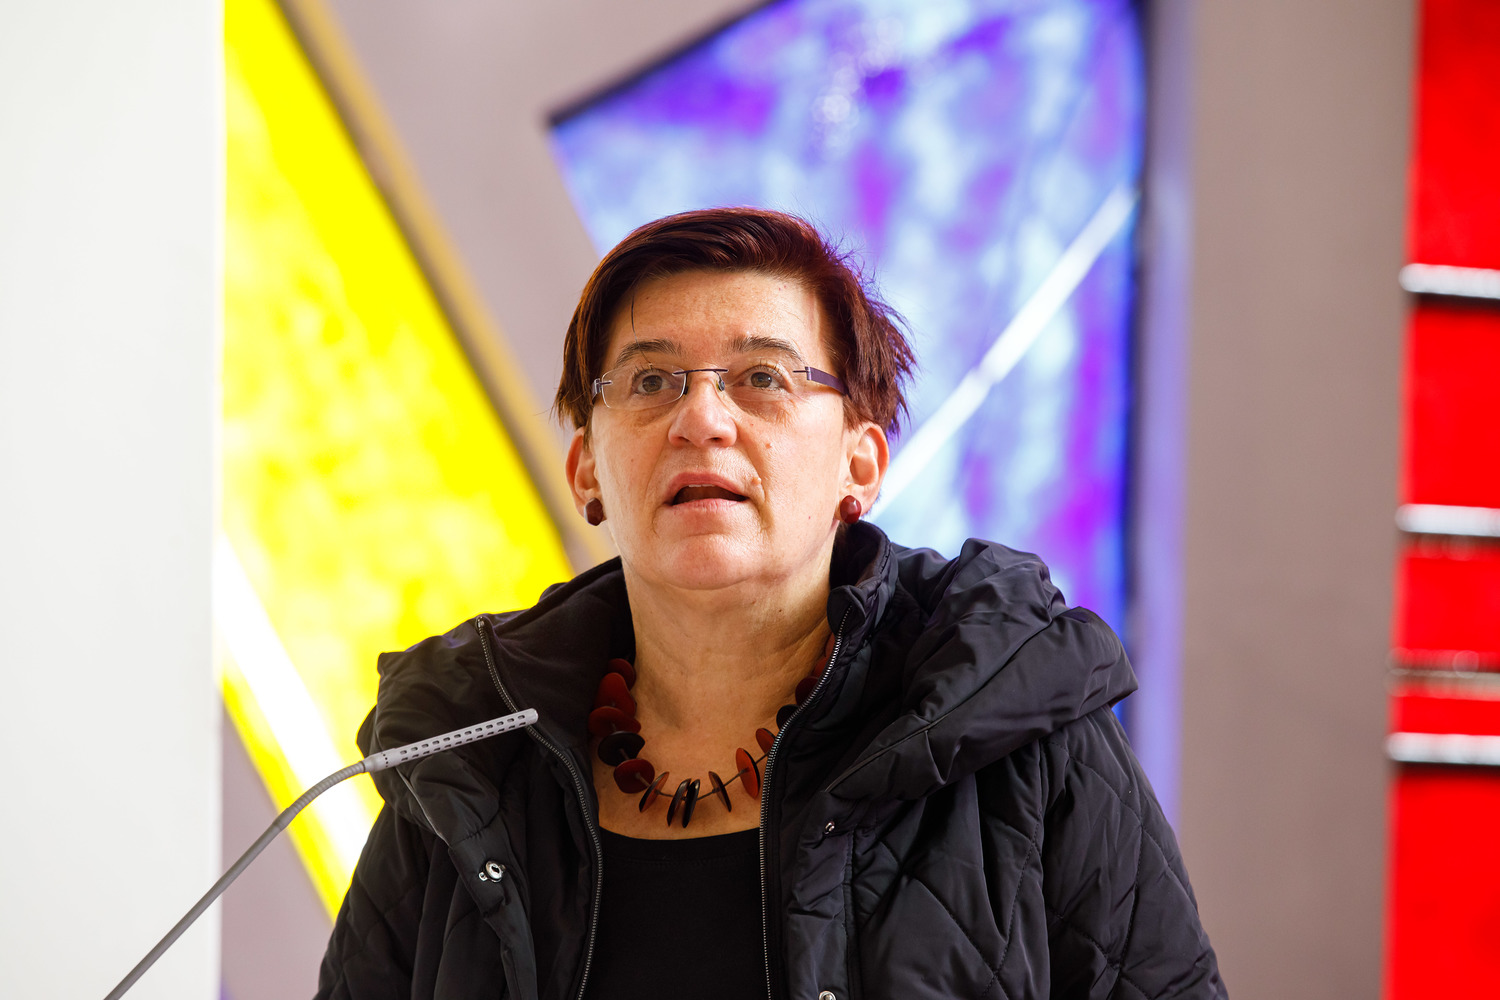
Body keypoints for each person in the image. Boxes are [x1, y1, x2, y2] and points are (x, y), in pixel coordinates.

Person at [316, 208, 1224, 1000]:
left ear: (859, 463)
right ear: (586, 467)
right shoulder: (466, 763)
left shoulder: (1017, 726)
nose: (701, 420)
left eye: (763, 378)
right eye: (650, 381)